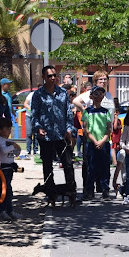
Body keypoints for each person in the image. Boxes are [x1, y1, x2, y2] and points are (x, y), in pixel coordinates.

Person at [31, 65, 77, 201]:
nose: (52, 78)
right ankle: (50, 194)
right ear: (43, 77)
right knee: (47, 166)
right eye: (49, 76)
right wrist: (38, 128)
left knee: (68, 164)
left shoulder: (63, 93)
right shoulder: (38, 94)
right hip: (46, 136)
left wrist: (69, 129)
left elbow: (68, 113)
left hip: (62, 134)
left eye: (54, 75)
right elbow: (34, 115)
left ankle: (71, 193)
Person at [82, 86, 113, 200]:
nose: (98, 96)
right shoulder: (87, 111)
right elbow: (86, 129)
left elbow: (109, 128)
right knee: (91, 167)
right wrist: (95, 141)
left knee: (105, 167)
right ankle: (89, 190)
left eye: (100, 94)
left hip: (104, 143)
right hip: (91, 143)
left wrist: (103, 140)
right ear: (91, 96)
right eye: (95, 94)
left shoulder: (106, 112)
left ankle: (105, 190)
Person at [0, 118, 23, 221]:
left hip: (10, 168)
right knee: (5, 190)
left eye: (10, 129)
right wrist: (13, 146)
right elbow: (4, 150)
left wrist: (18, 149)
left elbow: (15, 153)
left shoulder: (9, 141)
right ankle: (3, 210)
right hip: (3, 168)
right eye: (7, 129)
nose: (9, 131)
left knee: (8, 190)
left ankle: (9, 210)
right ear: (0, 130)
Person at [23, 85, 41, 157]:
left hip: (37, 117)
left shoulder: (43, 96)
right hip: (29, 116)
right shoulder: (31, 94)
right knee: (29, 133)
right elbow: (25, 103)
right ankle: (28, 150)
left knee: (36, 134)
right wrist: (30, 109)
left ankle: (35, 150)